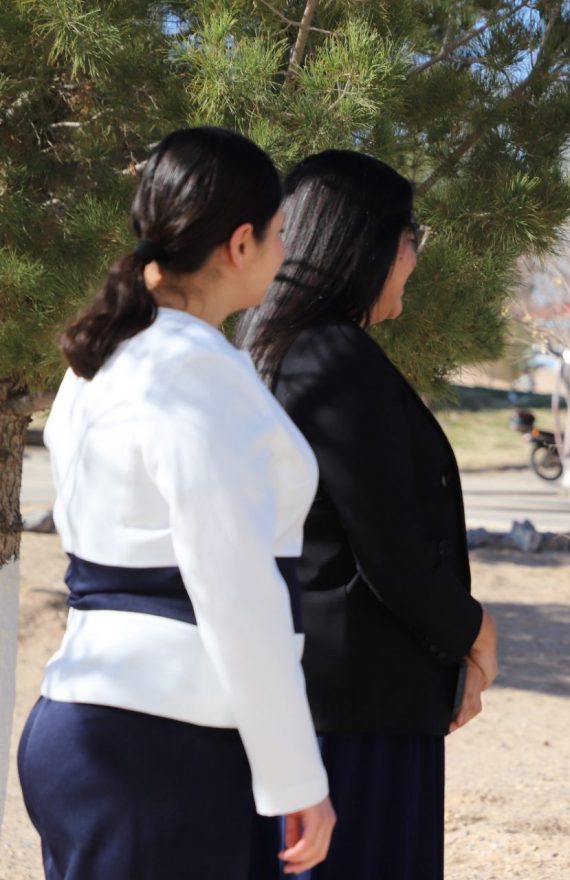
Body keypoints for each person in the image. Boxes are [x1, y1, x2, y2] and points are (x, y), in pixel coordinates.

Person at [17, 127, 335, 879]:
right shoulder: (194, 372)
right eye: (279, 234)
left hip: (100, 725)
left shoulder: (105, 356)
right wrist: (296, 777)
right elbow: (235, 588)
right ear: (240, 244)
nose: (286, 253)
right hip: (156, 746)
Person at [239, 149, 497, 880]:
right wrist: (476, 633)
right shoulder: (331, 359)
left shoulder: (283, 348)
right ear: (364, 244)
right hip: (353, 710)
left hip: (325, 698)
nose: (413, 258)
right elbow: (391, 546)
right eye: (411, 237)